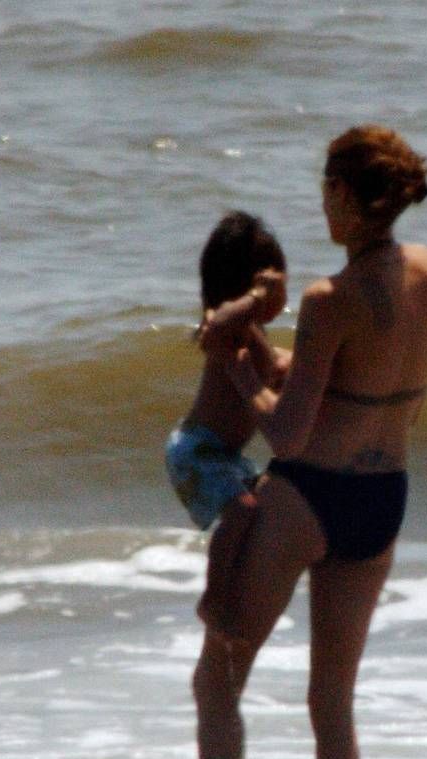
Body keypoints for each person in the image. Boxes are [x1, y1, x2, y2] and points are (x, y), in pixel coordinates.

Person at [194, 125, 427, 759]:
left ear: (340, 192)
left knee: (215, 681)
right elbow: (382, 389)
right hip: (384, 499)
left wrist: (240, 372)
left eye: (323, 189)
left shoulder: (327, 299)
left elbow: (287, 438)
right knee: (331, 706)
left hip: (309, 496)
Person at [165, 211, 288, 625]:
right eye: (272, 288)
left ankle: (240, 585)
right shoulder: (224, 329)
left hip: (225, 454)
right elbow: (218, 321)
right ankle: (215, 598)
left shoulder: (251, 335)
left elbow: (277, 366)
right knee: (241, 513)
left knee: (268, 505)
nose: (278, 299)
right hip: (198, 449)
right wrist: (256, 297)